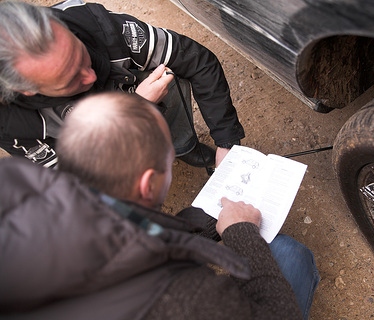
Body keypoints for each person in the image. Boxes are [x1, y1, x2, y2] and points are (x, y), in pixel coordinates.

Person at [0, 92, 319, 320]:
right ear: (149, 182)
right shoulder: (184, 296)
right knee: (290, 254)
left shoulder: (15, 193)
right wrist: (241, 233)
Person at [0, 0, 244, 168]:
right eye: (71, 80)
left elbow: (196, 60)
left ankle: (183, 145)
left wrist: (226, 141)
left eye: (82, 55)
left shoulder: (97, 26)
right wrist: (134, 110)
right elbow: (69, 182)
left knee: (165, 75)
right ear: (25, 89)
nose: (91, 76)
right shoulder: (11, 124)